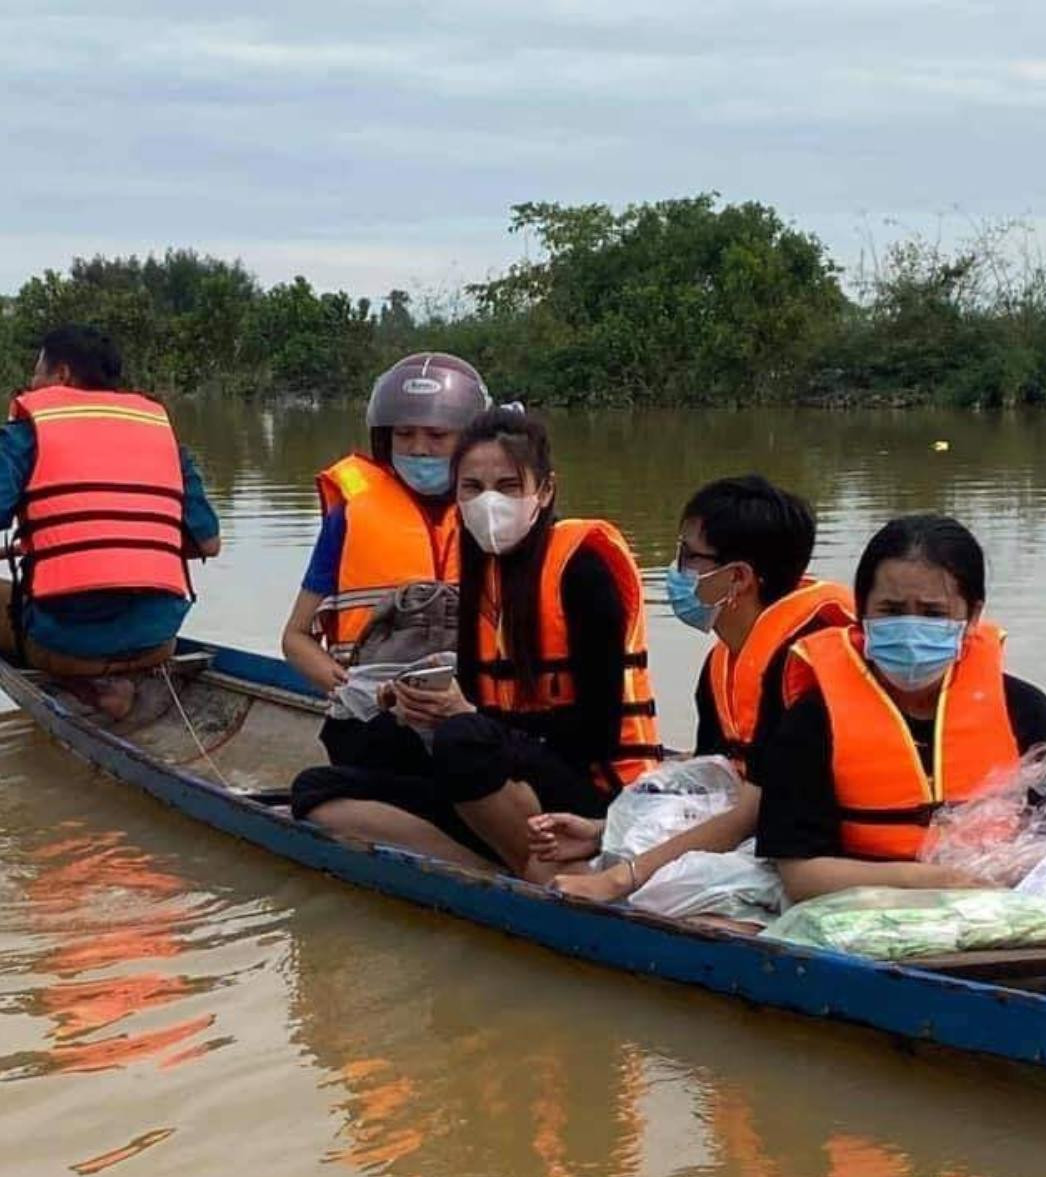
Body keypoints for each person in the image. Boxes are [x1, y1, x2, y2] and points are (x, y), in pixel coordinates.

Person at [290, 408, 661, 876]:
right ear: (457, 493)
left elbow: (596, 736)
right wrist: (411, 704)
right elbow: (475, 695)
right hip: (508, 773)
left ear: (544, 490)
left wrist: (469, 720)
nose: (489, 503)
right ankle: (495, 869)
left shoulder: (582, 568)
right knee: (322, 780)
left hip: (595, 788)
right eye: (473, 488)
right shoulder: (483, 571)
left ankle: (543, 868)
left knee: (462, 740)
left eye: (508, 487)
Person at [537, 474, 853, 903]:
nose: (675, 570)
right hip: (764, 830)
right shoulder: (723, 664)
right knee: (567, 861)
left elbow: (751, 810)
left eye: (689, 556)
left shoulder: (800, 666)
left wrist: (621, 878)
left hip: (822, 848)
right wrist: (601, 832)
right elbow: (718, 783)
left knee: (650, 893)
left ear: (738, 578)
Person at [0, 324, 219, 718]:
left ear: (60, 375)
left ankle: (86, 686)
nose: (31, 382)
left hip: (69, 647)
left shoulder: (27, 433)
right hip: (158, 639)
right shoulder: (162, 435)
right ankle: (128, 675)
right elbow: (208, 543)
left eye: (37, 371)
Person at [756, 512, 1046, 902]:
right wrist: (937, 880)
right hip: (864, 913)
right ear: (862, 614)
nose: (911, 628)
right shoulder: (814, 719)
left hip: (1006, 909)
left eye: (933, 613)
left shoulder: (1025, 709)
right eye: (891, 611)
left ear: (973, 616)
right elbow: (801, 875)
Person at [280, 350, 491, 766]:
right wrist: (348, 689)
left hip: (472, 712)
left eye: (437, 435)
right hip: (375, 719)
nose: (419, 448)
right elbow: (296, 638)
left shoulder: (496, 515)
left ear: (469, 439)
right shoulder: (350, 517)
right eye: (405, 434)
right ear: (385, 437)